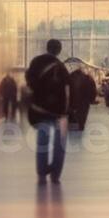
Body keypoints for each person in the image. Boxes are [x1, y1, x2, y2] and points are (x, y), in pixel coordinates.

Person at [25, 39, 70, 184]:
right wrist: (66, 111)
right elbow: (67, 92)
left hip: (40, 109)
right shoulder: (61, 68)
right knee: (60, 144)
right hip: (57, 112)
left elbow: (29, 81)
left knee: (42, 142)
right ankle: (55, 174)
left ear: (47, 47)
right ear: (59, 50)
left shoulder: (36, 62)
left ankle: (41, 173)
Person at [67, 62, 97, 134]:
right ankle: (80, 127)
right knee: (81, 119)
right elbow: (93, 91)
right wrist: (91, 100)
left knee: (71, 120)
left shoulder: (68, 78)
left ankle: (72, 128)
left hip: (71, 103)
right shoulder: (88, 78)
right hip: (84, 104)